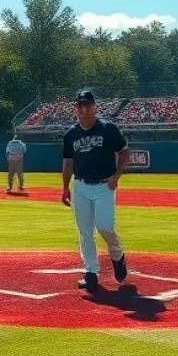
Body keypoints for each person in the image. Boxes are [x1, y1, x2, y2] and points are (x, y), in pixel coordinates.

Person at [61, 89, 130, 292]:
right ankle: (91, 272)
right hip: (81, 185)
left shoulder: (108, 129)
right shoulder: (71, 134)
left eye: (87, 105)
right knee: (85, 232)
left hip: (104, 186)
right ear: (75, 108)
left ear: (94, 107)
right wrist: (65, 187)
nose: (83, 109)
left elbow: (125, 153)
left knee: (105, 227)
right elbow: (67, 163)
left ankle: (117, 256)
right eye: (79, 105)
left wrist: (116, 175)